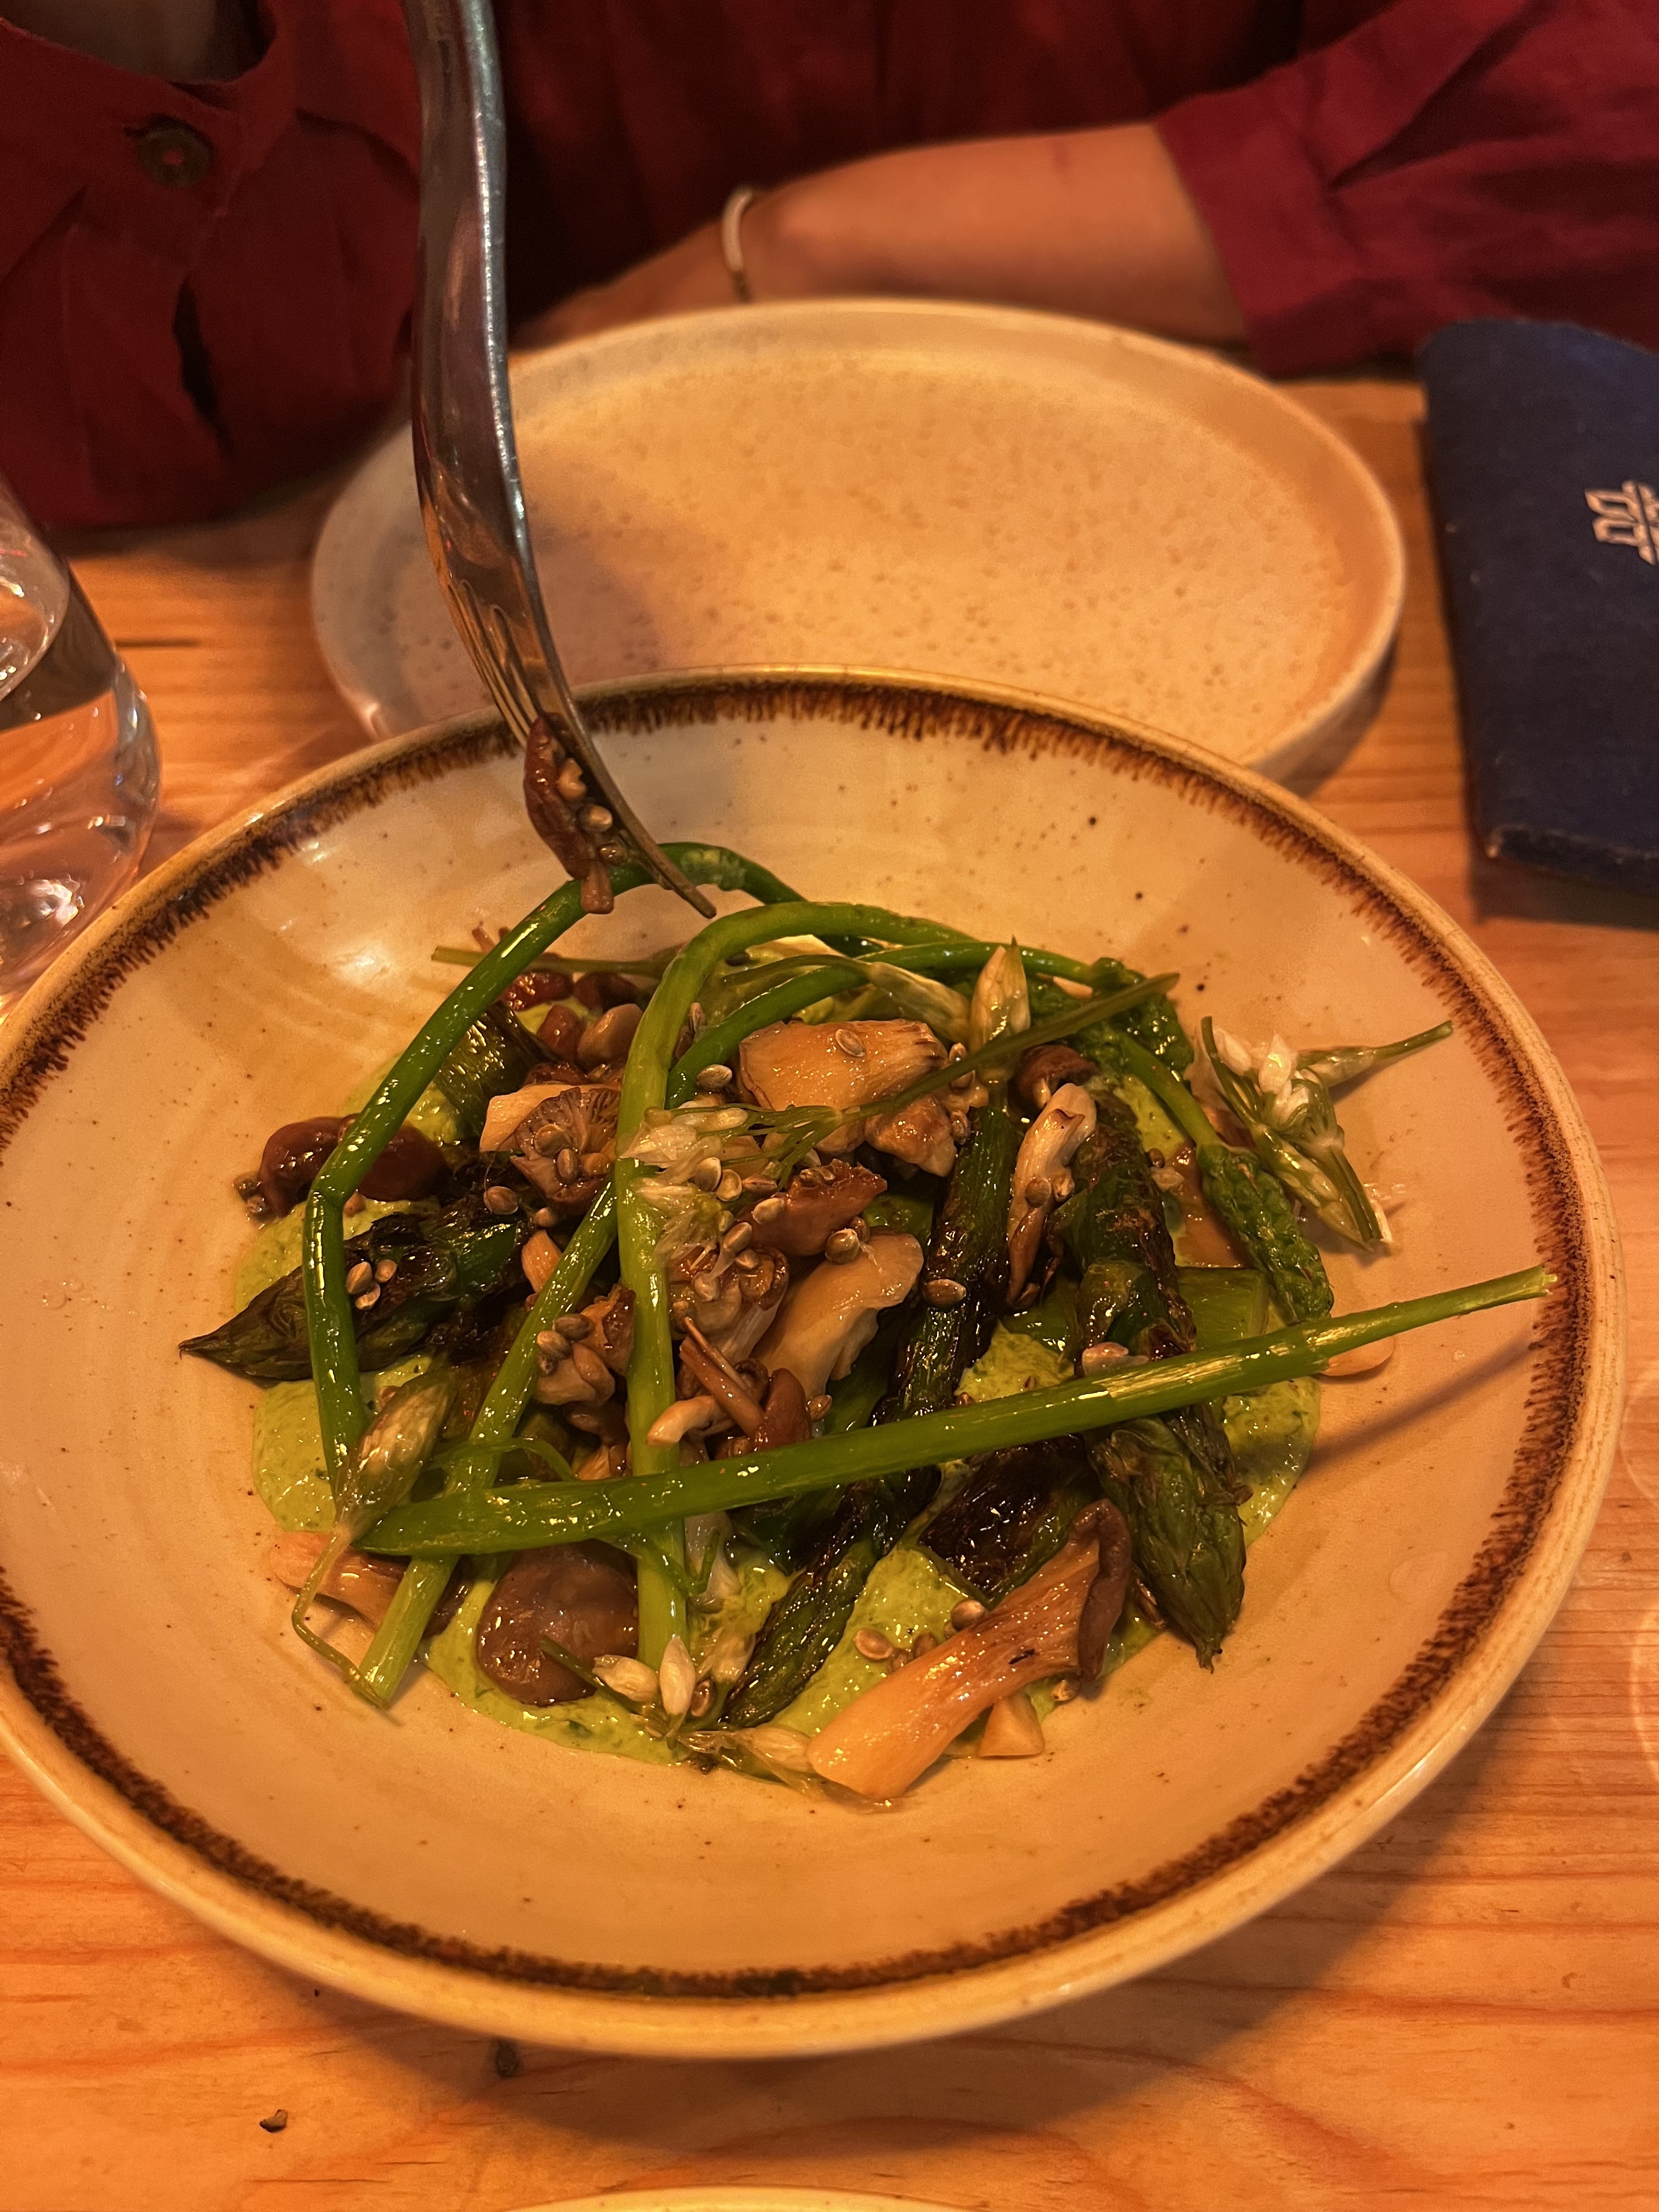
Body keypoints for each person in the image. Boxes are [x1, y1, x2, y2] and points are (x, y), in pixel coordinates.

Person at [2, 0, 1655, 531]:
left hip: (1248, 496)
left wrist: (814, 238)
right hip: (537, 538)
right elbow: (213, 418)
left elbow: (1593, 111)